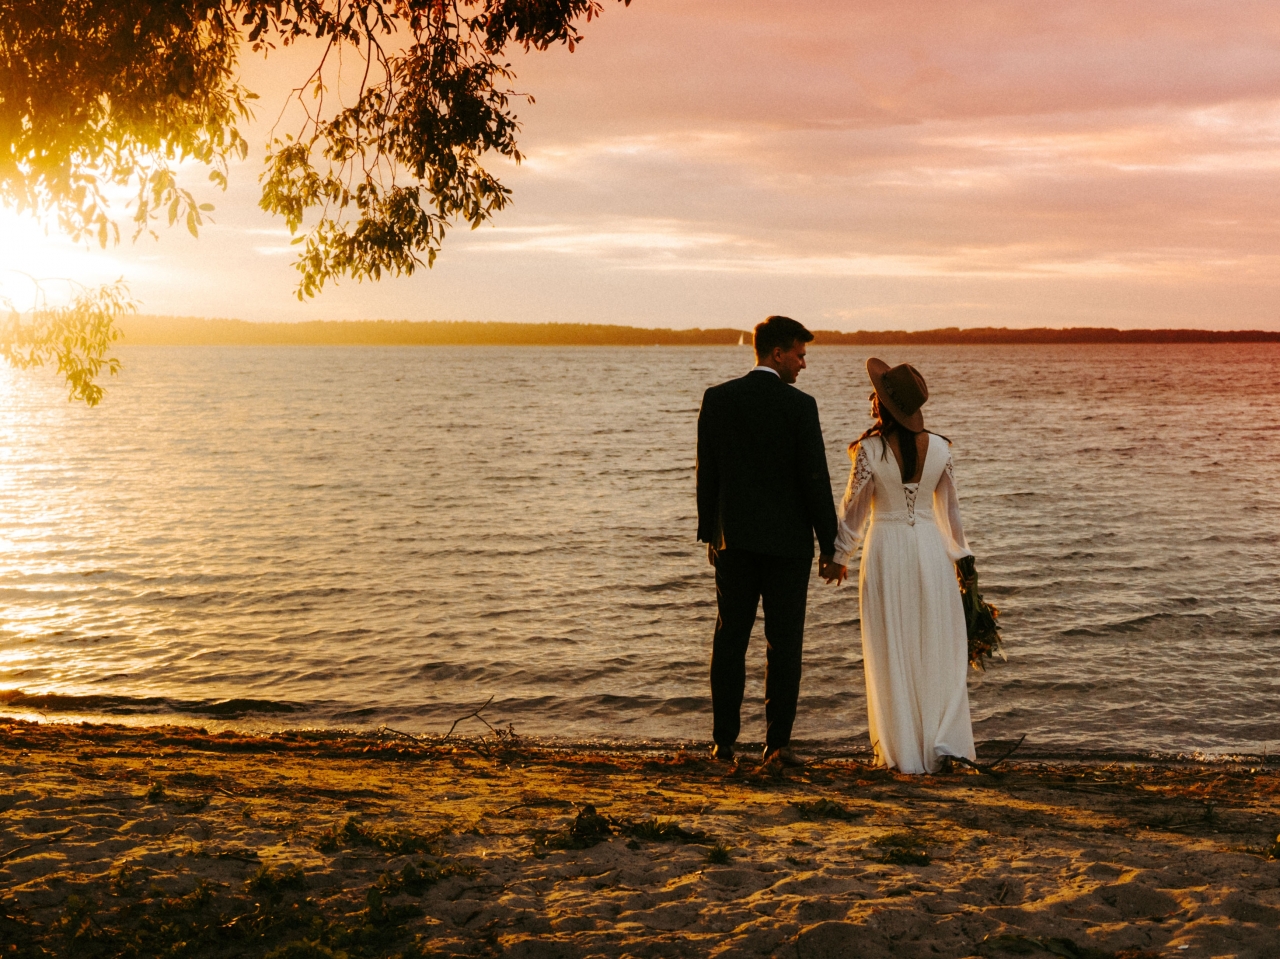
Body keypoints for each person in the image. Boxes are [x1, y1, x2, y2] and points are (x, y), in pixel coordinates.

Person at [822, 358, 977, 774]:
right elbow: (952, 515)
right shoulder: (942, 449)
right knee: (934, 645)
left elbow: (853, 513)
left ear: (885, 405)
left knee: (892, 643)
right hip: (931, 550)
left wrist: (839, 557)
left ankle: (903, 751)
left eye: (876, 393)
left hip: (887, 548)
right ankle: (939, 745)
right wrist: (963, 562)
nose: (871, 398)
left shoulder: (869, 450)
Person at [696, 315, 839, 766]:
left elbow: (707, 473)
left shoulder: (718, 399)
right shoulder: (800, 406)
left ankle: (723, 743)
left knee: (730, 638)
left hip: (733, 541)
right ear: (777, 353)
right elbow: (814, 477)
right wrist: (830, 544)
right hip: (787, 547)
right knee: (784, 644)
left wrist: (710, 533)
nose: (803, 364)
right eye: (799, 354)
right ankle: (777, 745)